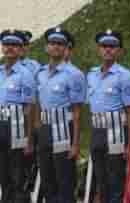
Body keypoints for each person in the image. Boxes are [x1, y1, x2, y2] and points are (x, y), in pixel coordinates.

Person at [36, 27, 86, 203]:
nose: (56, 47)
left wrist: (75, 144)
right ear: (46, 47)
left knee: (64, 182)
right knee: (47, 181)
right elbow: (39, 105)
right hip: (45, 130)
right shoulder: (40, 73)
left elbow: (78, 112)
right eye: (52, 43)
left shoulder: (74, 74)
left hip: (64, 130)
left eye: (60, 44)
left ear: (66, 48)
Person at [87, 29, 130, 203]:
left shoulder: (125, 76)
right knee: (100, 180)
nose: (108, 49)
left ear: (119, 51)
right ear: (99, 49)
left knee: (116, 181)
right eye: (104, 46)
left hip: (116, 133)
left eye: (112, 46)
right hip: (97, 132)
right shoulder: (91, 75)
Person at [0, 29, 36, 203]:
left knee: (18, 179)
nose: (9, 48)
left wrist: (29, 140)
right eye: (6, 44)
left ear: (21, 48)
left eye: (14, 45)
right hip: (1, 129)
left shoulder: (25, 74)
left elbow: (29, 108)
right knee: (3, 178)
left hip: (18, 131)